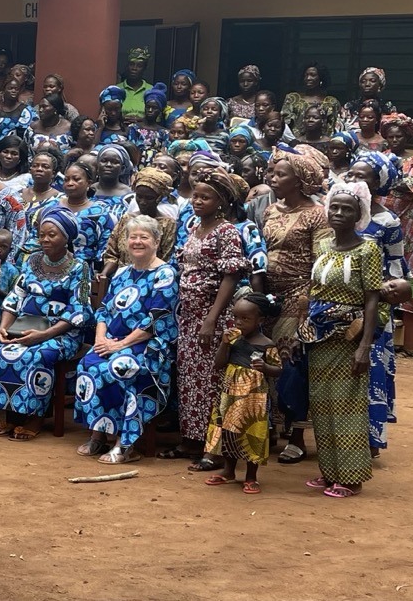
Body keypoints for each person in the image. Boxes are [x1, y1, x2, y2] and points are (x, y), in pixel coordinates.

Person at [0, 207, 90, 441]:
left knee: (36, 355)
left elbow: (80, 312)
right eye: (41, 234)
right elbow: (14, 298)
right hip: (22, 327)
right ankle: (11, 414)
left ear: (66, 237)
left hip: (60, 333)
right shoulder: (32, 261)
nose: (45, 240)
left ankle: (36, 417)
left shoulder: (79, 268)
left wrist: (42, 336)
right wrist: (3, 328)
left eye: (52, 235)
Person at [301, 181, 384, 499]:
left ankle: (351, 477)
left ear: (358, 214)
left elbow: (372, 299)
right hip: (319, 339)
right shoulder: (322, 247)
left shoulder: (368, 249)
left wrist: (364, 345)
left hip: (348, 339)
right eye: (334, 206)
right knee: (321, 405)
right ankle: (329, 471)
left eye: (346, 209)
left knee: (348, 406)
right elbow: (314, 291)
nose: (338, 213)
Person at [74, 215, 179, 463]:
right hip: (112, 341)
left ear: (156, 241)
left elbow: (155, 320)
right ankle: (99, 434)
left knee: (120, 367)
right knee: (89, 364)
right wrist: (101, 340)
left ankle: (126, 444)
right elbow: (104, 311)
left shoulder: (165, 274)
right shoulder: (121, 273)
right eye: (133, 237)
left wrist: (119, 345)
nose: (138, 242)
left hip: (148, 346)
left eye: (144, 237)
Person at [166, 168, 250, 468]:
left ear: (222, 201)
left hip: (212, 315)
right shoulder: (192, 226)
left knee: (212, 381)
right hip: (188, 315)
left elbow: (231, 275)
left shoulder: (227, 231)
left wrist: (212, 318)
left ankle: (213, 449)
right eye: (196, 196)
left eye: (206, 197)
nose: (197, 201)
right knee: (190, 380)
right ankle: (191, 441)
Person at [262, 145, 333, 464]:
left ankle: (297, 435)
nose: (273, 178)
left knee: (290, 362)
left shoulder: (317, 214)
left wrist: (310, 299)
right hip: (269, 297)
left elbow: (323, 261)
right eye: (273, 173)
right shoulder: (270, 210)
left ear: (299, 179)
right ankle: (271, 426)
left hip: (300, 294)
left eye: (281, 174)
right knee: (265, 360)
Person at [345, 152, 406, 454]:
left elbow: (397, 268)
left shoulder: (387, 221)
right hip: (337, 307)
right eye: (352, 174)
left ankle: (369, 440)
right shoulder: (338, 212)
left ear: (377, 183)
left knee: (370, 371)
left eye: (363, 176)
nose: (354, 180)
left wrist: (376, 291)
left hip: (374, 308)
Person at [203, 292, 283, 494]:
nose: (239, 322)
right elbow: (218, 364)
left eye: (245, 319)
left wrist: (264, 367)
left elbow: (278, 369)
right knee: (228, 431)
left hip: (253, 399)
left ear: (261, 319)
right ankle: (228, 471)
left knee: (251, 433)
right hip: (229, 394)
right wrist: (223, 343)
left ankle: (251, 476)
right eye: (236, 317)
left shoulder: (266, 344)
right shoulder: (233, 339)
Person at [100, 167, 177, 295]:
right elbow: (112, 253)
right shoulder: (127, 219)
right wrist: (104, 273)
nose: (143, 202)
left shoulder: (167, 224)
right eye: (139, 196)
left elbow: (165, 257)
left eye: (149, 198)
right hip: (121, 280)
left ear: (159, 198)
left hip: (150, 283)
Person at [380, 113, 413, 317]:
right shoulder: (381, 156)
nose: (394, 140)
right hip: (381, 214)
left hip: (405, 217)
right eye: (391, 136)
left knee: (407, 255)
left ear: (406, 137)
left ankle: (404, 305)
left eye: (399, 136)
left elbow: (411, 184)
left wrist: (387, 183)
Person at [55, 160, 116, 267]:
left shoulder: (100, 213)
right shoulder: (52, 207)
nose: (70, 183)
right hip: (51, 267)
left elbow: (104, 248)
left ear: (89, 182)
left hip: (84, 269)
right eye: (66, 179)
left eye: (76, 179)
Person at [14, 149, 62, 263]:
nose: (39, 169)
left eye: (45, 166)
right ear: (30, 169)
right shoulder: (17, 194)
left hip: (39, 254)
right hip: (11, 250)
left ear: (53, 173)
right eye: (36, 166)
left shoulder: (59, 200)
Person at [282, 63, 341, 137]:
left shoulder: (331, 102)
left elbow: (334, 125)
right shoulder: (293, 98)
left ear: (321, 78)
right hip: (294, 143)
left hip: (324, 144)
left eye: (312, 75)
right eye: (306, 75)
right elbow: (284, 124)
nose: (308, 78)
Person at [337, 67, 398, 131]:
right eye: (363, 81)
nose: (367, 84)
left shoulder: (387, 107)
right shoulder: (350, 106)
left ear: (380, 85)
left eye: (372, 81)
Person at [0, 72, 37, 144]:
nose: (14, 91)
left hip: (19, 150)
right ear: (4, 90)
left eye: (16, 89)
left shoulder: (28, 111)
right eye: (10, 88)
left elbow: (33, 132)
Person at [93, 143, 135, 220]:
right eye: (104, 161)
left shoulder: (128, 194)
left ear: (122, 169)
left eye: (115, 162)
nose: (108, 165)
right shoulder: (88, 190)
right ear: (97, 166)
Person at [133, 86, 171, 164]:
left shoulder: (164, 132)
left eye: (154, 108)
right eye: (148, 107)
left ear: (160, 110)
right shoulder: (134, 128)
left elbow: (164, 153)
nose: (150, 110)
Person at [118, 48, 153, 121]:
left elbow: (157, 119)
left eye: (139, 66)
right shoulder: (117, 89)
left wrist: (141, 120)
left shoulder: (151, 90)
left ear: (144, 68)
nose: (134, 68)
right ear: (127, 66)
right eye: (131, 64)